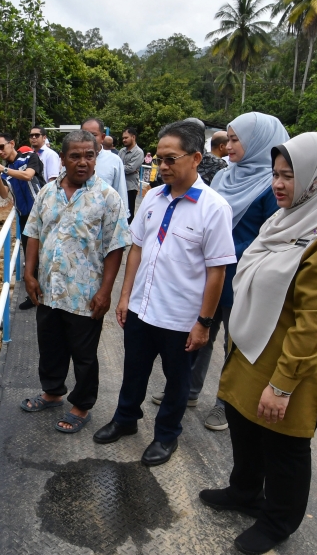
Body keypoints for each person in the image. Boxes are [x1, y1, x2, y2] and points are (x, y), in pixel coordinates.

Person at [200, 129, 317, 555]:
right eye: (276, 173)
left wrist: (281, 387)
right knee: (244, 423)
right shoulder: (288, 219)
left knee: (283, 443)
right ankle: (244, 491)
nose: (278, 184)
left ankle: (279, 520)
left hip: (296, 363)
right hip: (256, 347)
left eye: (290, 176)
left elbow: (314, 327)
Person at [93, 120, 236, 466]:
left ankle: (166, 436)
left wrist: (204, 322)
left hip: (182, 317)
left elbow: (217, 272)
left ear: (196, 158)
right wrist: (126, 297)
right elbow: (137, 250)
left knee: (177, 382)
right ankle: (125, 419)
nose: (164, 166)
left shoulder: (214, 208)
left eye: (171, 159)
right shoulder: (153, 197)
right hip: (143, 308)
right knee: (134, 370)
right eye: (160, 159)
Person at [150, 113, 287, 431]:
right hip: (212, 272)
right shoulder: (226, 177)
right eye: (228, 138)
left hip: (246, 278)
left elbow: (272, 238)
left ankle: (225, 403)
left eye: (236, 139)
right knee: (201, 334)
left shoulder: (272, 186)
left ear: (259, 143)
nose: (228, 145)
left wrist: (233, 256)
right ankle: (189, 391)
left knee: (235, 342)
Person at [18, 130, 131, 433]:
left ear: (96, 157)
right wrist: (29, 275)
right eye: (76, 156)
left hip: (85, 293)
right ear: (64, 159)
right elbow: (33, 234)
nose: (83, 162)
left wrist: (106, 292)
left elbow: (115, 246)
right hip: (48, 289)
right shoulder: (47, 192)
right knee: (50, 344)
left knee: (83, 354)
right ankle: (53, 392)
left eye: (89, 155)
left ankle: (81, 405)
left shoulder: (108, 197)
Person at [0, 132, 45, 310]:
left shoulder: (30, 157)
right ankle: (33, 296)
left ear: (12, 143)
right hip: (24, 216)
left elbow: (28, 176)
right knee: (30, 257)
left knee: (48, 253)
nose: (0, 152)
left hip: (42, 212)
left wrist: (2, 169)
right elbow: (3, 194)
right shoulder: (4, 171)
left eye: (2, 147)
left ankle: (52, 293)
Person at [81, 118, 129, 220]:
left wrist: (123, 219)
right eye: (84, 134)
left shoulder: (114, 160)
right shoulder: (71, 160)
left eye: (93, 135)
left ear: (102, 137)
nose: (88, 139)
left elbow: (121, 193)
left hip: (104, 221)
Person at [119, 127, 144, 223]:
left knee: (128, 211)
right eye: (123, 138)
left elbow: (131, 169)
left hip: (130, 186)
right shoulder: (122, 151)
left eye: (126, 137)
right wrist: (124, 168)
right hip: (120, 185)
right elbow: (119, 166)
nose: (124, 140)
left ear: (133, 137)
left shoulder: (138, 152)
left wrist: (121, 167)